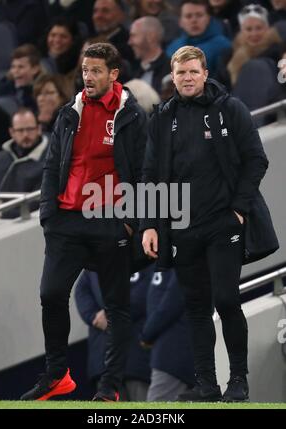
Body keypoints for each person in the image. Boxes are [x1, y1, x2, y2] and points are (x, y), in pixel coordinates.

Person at [141, 46, 278, 402]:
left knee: (227, 299)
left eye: (192, 72)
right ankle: (207, 384)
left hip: (223, 223)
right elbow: (150, 175)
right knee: (196, 307)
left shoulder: (229, 109)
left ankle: (238, 380)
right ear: (172, 76)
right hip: (182, 228)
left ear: (205, 73)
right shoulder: (161, 118)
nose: (186, 78)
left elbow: (256, 160)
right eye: (180, 73)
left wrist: (238, 209)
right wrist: (151, 225)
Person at [20, 42, 147, 402]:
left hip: (110, 221)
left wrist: (129, 223)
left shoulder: (132, 116)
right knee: (51, 294)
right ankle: (57, 375)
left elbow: (143, 172)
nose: (87, 77)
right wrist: (48, 213)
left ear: (113, 74)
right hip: (66, 222)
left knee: (117, 305)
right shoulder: (69, 112)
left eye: (95, 71)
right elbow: (52, 165)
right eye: (84, 70)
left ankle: (110, 386)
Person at [74, 268, 152, 401]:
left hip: (136, 357)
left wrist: (113, 315)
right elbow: (81, 291)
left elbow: (148, 290)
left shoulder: (145, 254)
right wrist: (93, 316)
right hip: (104, 359)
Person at [140, 269, 195, 402]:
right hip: (165, 352)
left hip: (174, 354)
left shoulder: (182, 259)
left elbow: (170, 305)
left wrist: (147, 334)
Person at [0, 108, 48, 218]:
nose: (25, 135)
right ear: (12, 132)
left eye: (30, 129)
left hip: (25, 224)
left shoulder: (50, 160)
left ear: (39, 129)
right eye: (20, 130)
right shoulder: (0, 158)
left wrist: (1, 214)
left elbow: (37, 203)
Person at [166, 0, 231, 76]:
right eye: (188, 16)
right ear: (180, 22)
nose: (194, 20)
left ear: (208, 19)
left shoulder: (223, 45)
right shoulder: (172, 48)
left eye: (199, 15)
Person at [128, 16, 171, 94]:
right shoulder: (132, 71)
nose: (129, 42)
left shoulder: (172, 72)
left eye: (133, 35)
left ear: (150, 36)